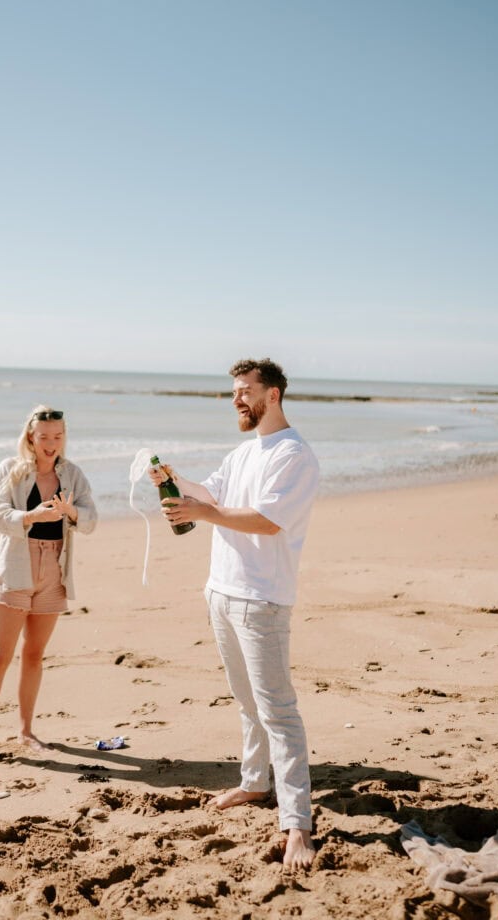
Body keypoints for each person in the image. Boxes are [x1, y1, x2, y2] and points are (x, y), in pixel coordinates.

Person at [150, 359, 319, 871]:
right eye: (233, 393)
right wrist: (174, 479)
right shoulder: (245, 450)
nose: (237, 400)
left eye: (245, 391)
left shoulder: (295, 455)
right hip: (221, 591)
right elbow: (212, 494)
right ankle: (253, 783)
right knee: (246, 701)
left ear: (273, 395)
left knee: (279, 712)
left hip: (262, 598)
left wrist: (202, 513)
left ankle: (298, 826)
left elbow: (268, 522)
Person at [0, 405, 97, 768]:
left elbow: (90, 520)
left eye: (58, 436)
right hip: (16, 566)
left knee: (34, 654)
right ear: (30, 438)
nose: (52, 443)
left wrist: (72, 512)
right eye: (44, 437)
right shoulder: (10, 469)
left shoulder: (73, 475)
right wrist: (32, 517)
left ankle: (25, 731)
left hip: (55, 567)